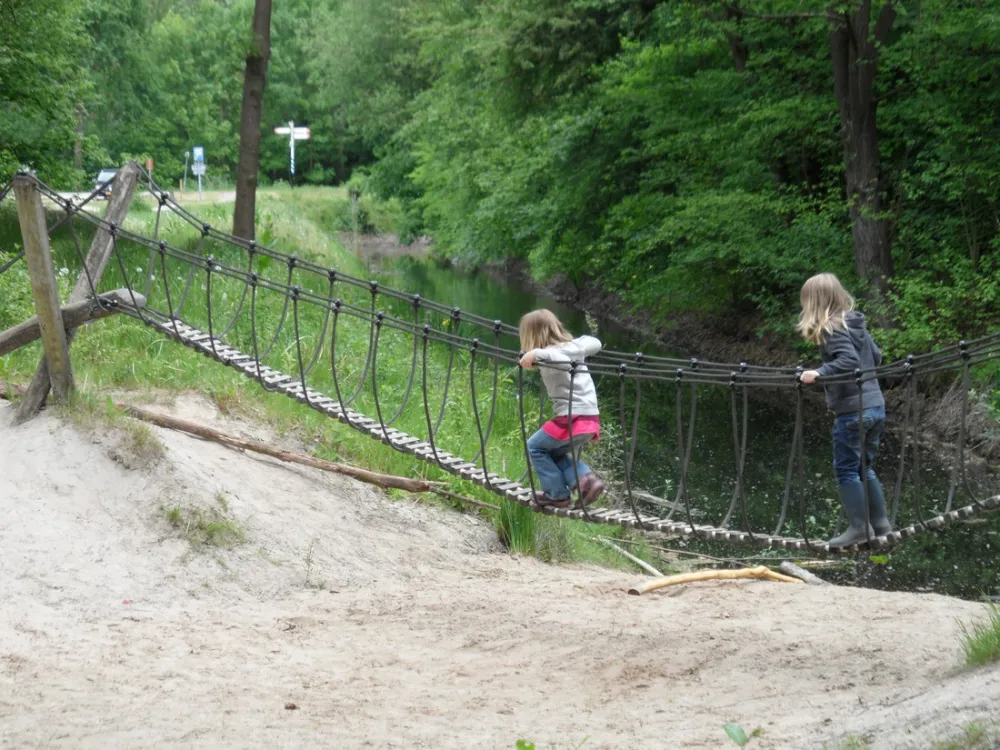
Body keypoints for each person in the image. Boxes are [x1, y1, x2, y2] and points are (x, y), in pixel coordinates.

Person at [798, 273, 891, 547]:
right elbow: (875, 356)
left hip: (853, 412)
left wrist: (819, 372)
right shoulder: (857, 324)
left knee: (847, 470)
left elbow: (848, 360)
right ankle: (881, 525)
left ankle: (859, 528)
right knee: (865, 467)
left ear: (815, 302)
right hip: (875, 406)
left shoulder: (830, 327)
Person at [518, 309, 606, 508]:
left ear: (531, 336)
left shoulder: (549, 355)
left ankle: (557, 495)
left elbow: (557, 357)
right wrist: (575, 347)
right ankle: (587, 480)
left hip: (572, 417)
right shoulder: (574, 348)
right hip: (590, 418)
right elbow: (596, 343)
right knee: (553, 453)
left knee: (535, 447)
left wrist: (536, 353)